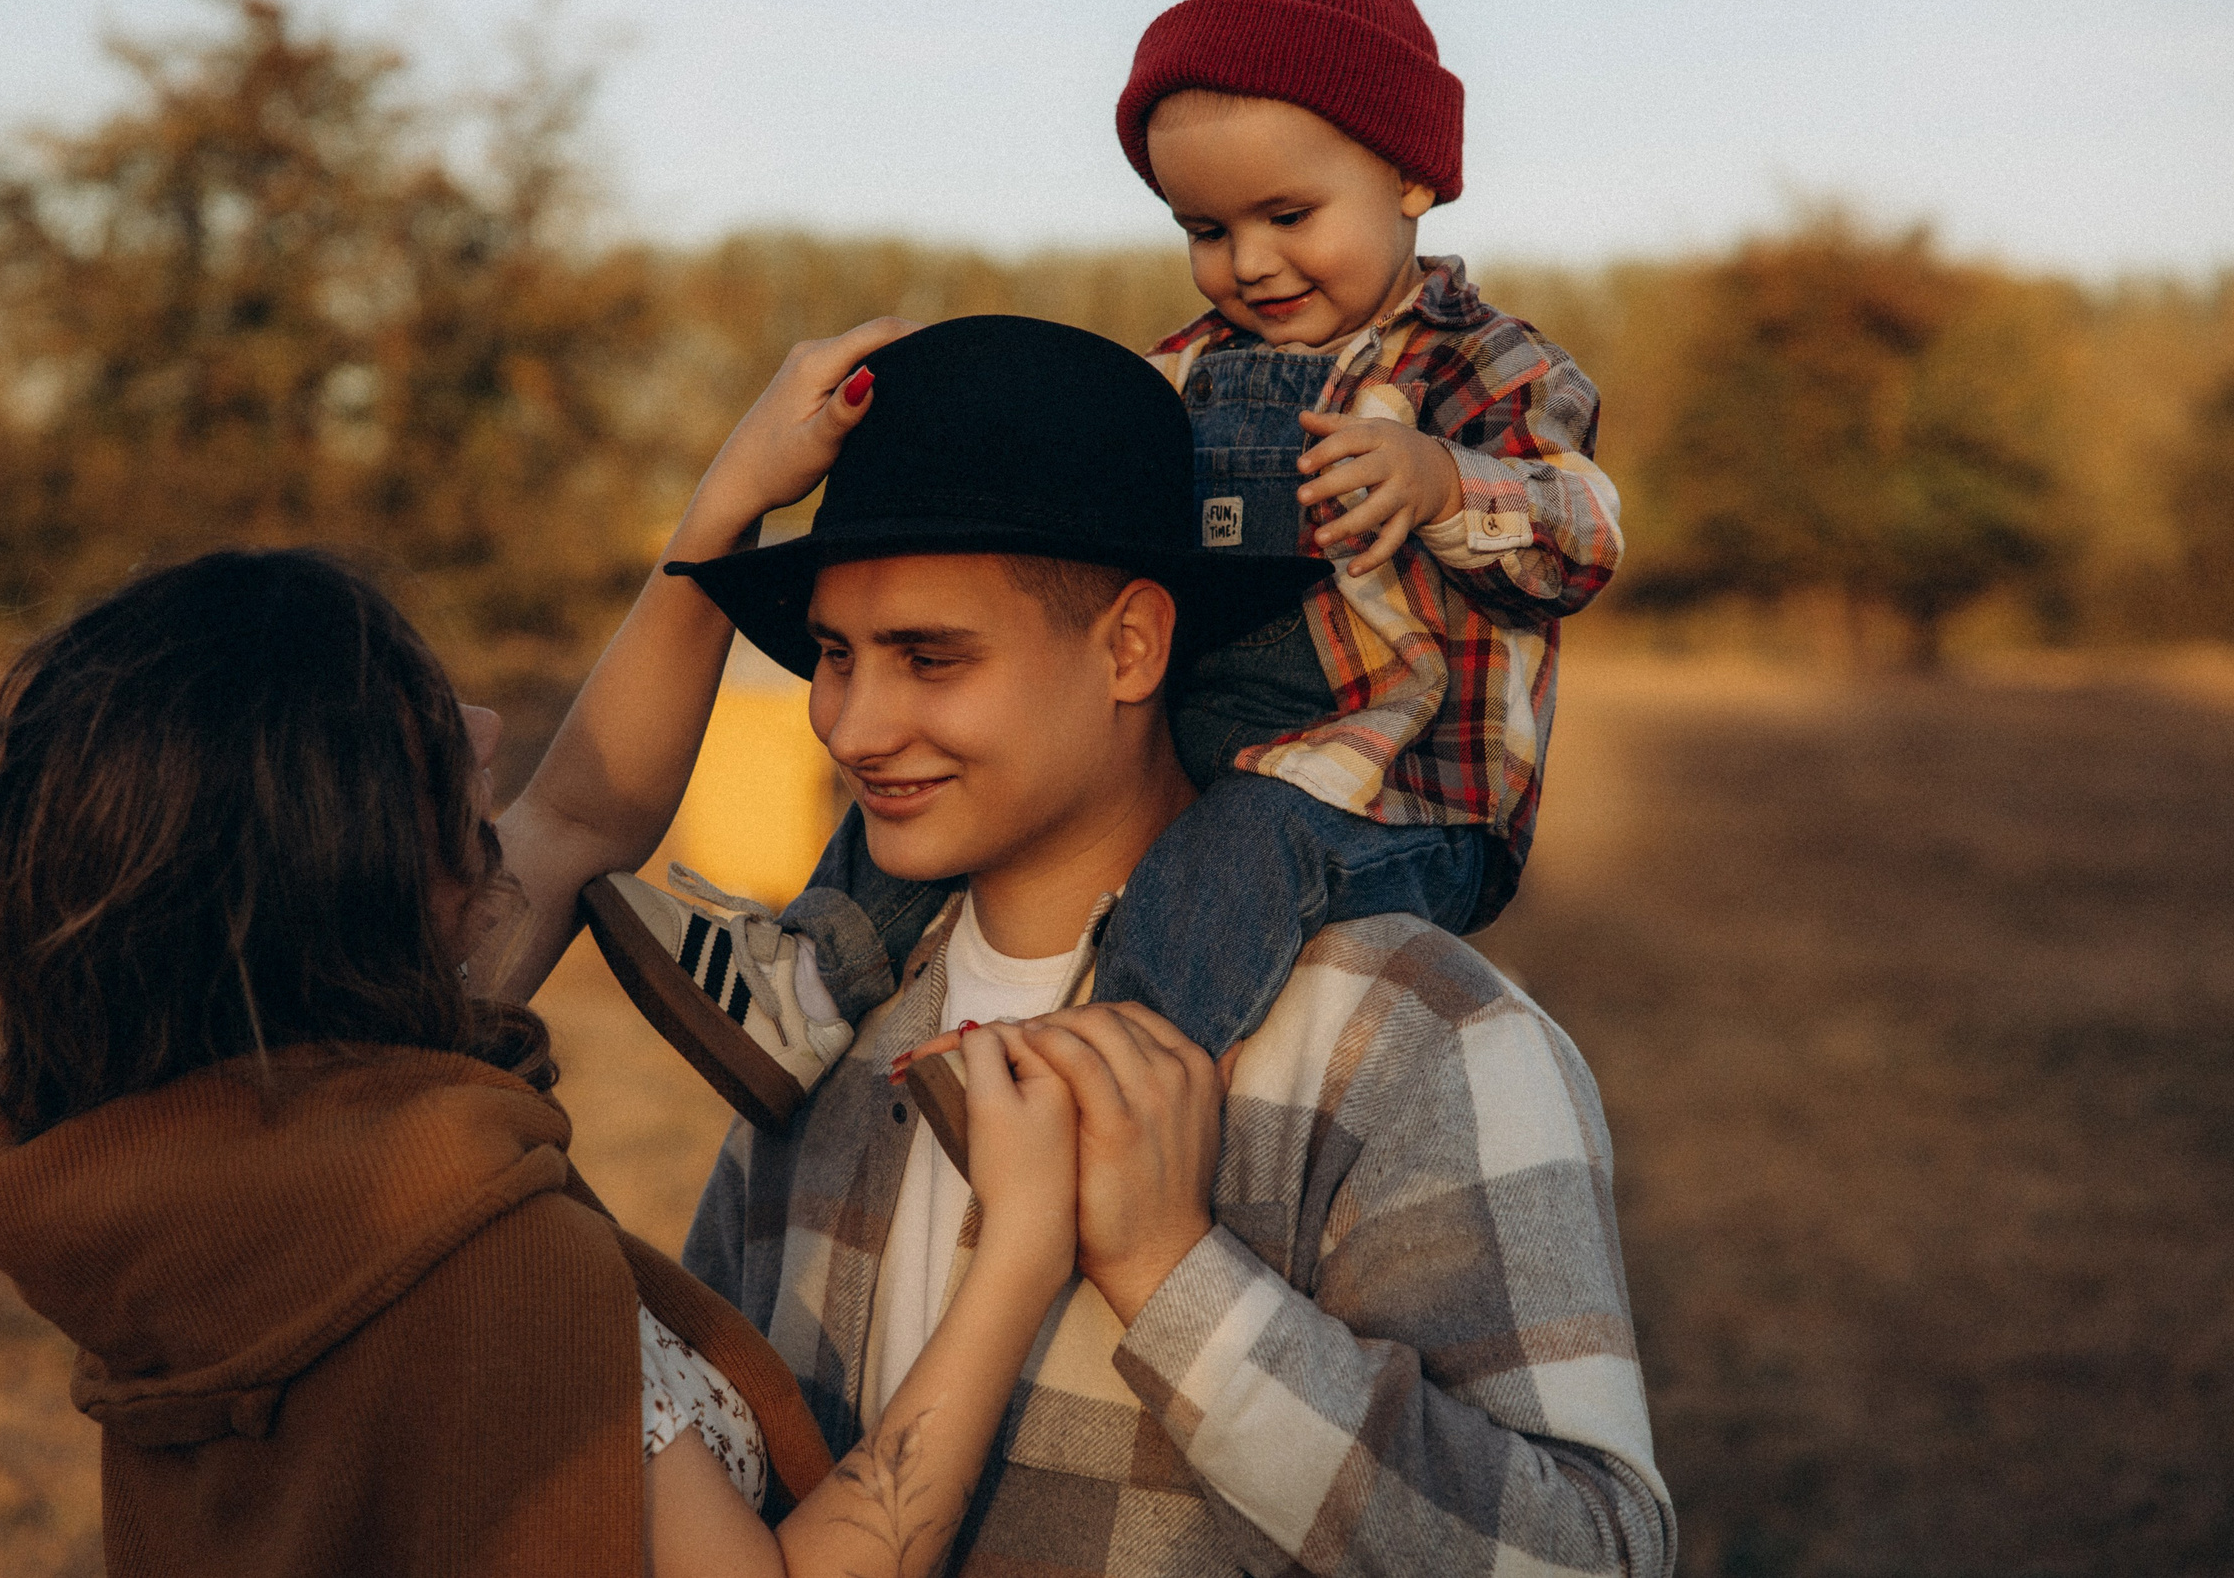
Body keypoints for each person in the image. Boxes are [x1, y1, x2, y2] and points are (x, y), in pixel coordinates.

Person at [0, 325, 1089, 1578]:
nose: (479, 726)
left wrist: (727, 504)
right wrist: (1019, 1250)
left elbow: (579, 814)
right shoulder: (473, 1255)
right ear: (336, 856)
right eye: (415, 736)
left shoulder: (194, 1165)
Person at [670, 314, 1673, 1575]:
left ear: (1133, 645)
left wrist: (1172, 1271)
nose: (855, 726)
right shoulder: (822, 1021)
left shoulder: (1412, 1032)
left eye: (930, 658)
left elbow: (1590, 1556)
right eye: (832, 655)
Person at [582, 0, 1624, 1134]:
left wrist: (1443, 482)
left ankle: (1109, 1096)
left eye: (1288, 215)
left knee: (1237, 852)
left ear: (1410, 179)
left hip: (1396, 793)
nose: (1250, 262)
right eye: (1206, 227)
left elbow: (1581, 542)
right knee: (922, 775)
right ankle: (802, 982)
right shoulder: (1180, 374)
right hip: (1207, 736)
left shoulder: (1484, 366)